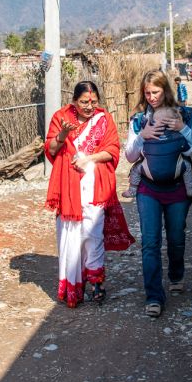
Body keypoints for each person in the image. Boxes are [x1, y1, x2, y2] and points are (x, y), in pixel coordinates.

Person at [45, 81, 134, 308]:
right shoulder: (61, 117)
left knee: (93, 235)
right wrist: (63, 134)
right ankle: (75, 285)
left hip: (96, 186)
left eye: (93, 101)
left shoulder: (104, 119)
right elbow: (51, 151)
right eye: (84, 102)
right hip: (69, 188)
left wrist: (89, 159)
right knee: (71, 236)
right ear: (74, 101)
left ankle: (97, 282)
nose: (89, 106)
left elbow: (113, 150)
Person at [125, 70, 192, 318]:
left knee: (176, 236)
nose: (151, 97)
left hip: (178, 188)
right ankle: (154, 297)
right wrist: (142, 137)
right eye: (147, 93)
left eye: (156, 92)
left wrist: (182, 129)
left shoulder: (186, 115)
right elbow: (129, 156)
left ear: (166, 91)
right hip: (148, 189)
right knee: (150, 242)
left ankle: (176, 274)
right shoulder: (139, 121)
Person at [122, 105, 192, 200]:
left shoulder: (148, 139)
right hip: (175, 172)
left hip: (150, 173)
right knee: (187, 165)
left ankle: (132, 189)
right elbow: (189, 153)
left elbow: (141, 153)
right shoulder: (179, 138)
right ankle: (191, 188)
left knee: (136, 167)